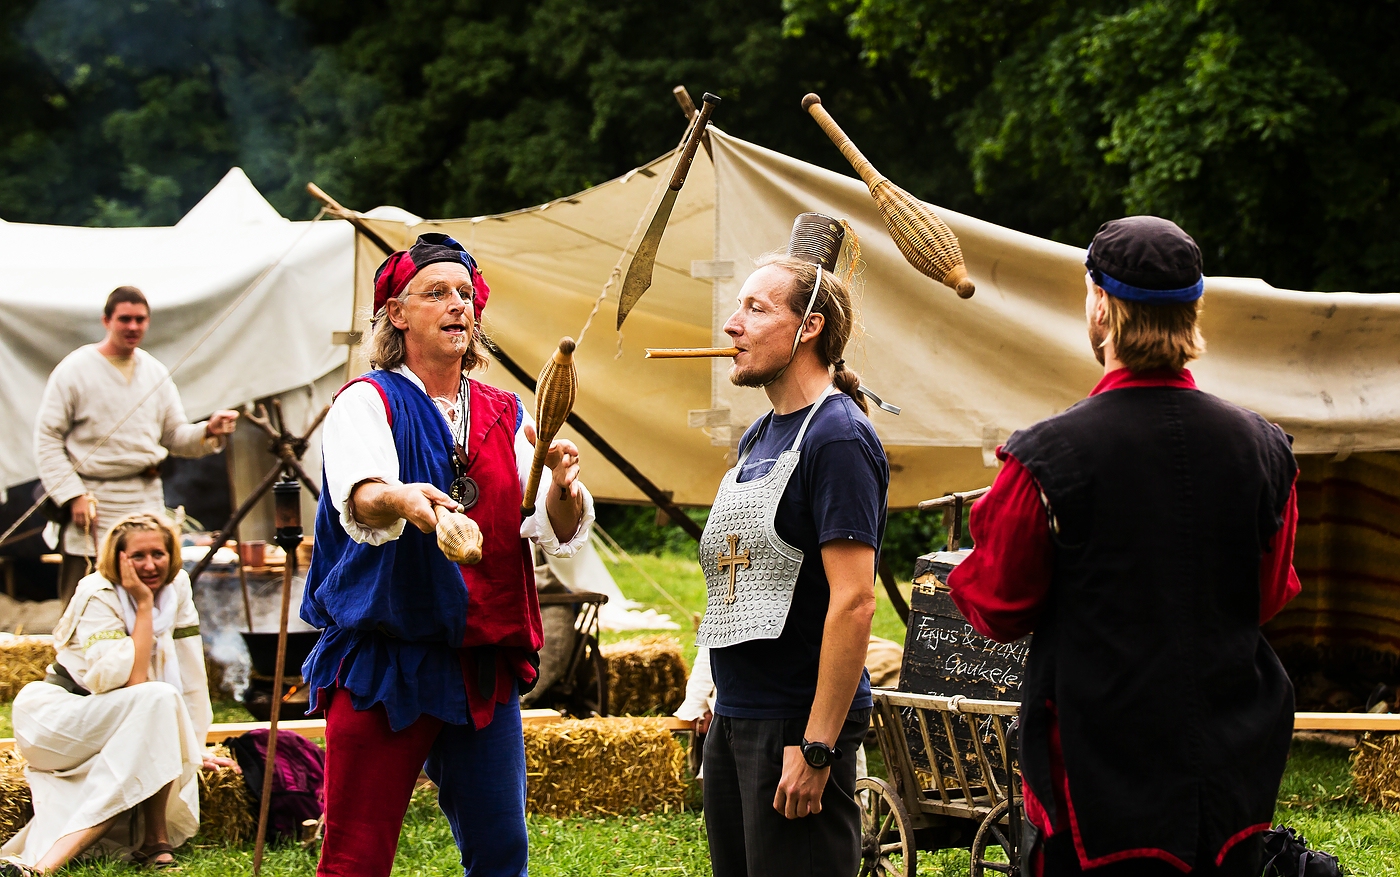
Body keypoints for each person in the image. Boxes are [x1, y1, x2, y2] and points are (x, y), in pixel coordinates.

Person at [948, 216, 1300, 876]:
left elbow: (997, 603)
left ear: (1101, 307)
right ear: (1194, 311)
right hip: (1229, 758)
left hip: (1100, 770)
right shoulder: (1264, 447)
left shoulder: (1047, 456)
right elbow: (1270, 594)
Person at [300, 233, 594, 877]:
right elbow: (363, 495)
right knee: (355, 857)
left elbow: (549, 523)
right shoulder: (366, 401)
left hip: (480, 663)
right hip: (388, 659)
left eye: (465, 293)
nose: (457, 304)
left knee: (501, 855)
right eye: (437, 292)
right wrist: (406, 500)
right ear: (397, 314)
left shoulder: (504, 412)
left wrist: (565, 488)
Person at [696, 214, 888, 877]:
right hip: (740, 715)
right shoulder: (759, 437)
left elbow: (856, 601)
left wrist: (817, 744)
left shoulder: (836, 437)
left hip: (795, 725)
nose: (732, 324)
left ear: (807, 328)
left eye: (754, 307)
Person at [2, 513, 224, 873]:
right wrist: (143, 606)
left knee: (160, 708)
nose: (150, 565)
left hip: (118, 714)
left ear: (172, 554)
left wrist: (194, 745)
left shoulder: (177, 586)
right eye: (138, 556)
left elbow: (190, 671)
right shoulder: (96, 591)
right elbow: (129, 681)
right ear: (118, 558)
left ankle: (50, 866)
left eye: (158, 553)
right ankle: (150, 843)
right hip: (59, 715)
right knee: (159, 701)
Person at [34, 286, 239, 604]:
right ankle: (73, 656)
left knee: (147, 594)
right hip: (92, 502)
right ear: (107, 320)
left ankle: (143, 653)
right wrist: (72, 496)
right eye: (125, 319)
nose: (133, 327)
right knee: (85, 596)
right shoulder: (74, 370)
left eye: (140, 319)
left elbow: (174, 437)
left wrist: (208, 431)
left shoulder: (154, 371)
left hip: (144, 498)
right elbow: (47, 438)